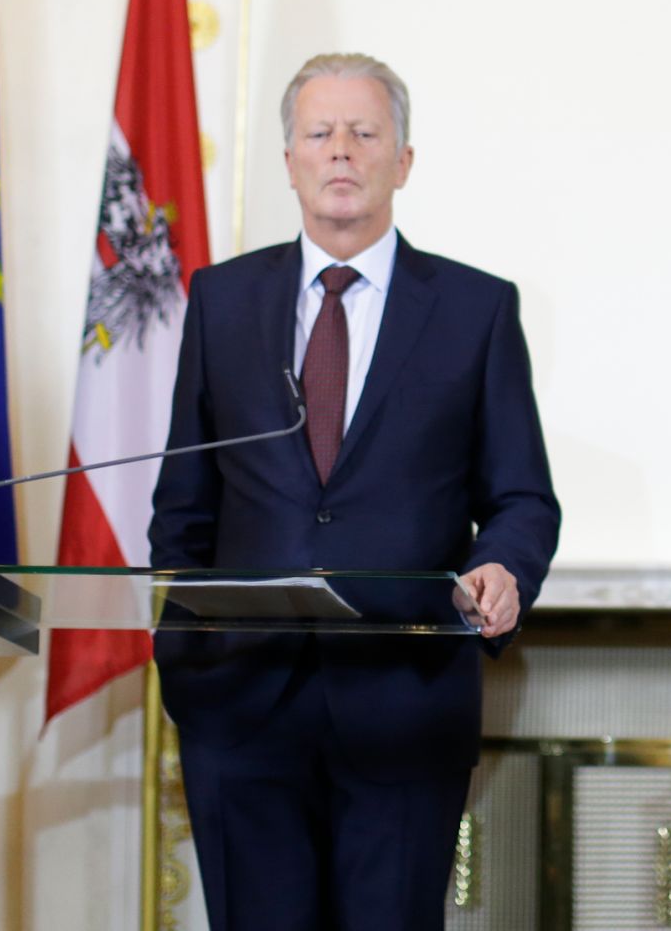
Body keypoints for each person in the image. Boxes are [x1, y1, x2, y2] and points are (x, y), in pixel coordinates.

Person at [149, 52, 561, 931]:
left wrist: (503, 567)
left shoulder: (475, 308)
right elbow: (183, 503)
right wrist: (188, 654)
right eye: (319, 133)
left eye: (365, 132)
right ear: (289, 158)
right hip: (240, 705)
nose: (341, 150)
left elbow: (524, 497)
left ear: (403, 161)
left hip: (403, 702)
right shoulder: (222, 299)